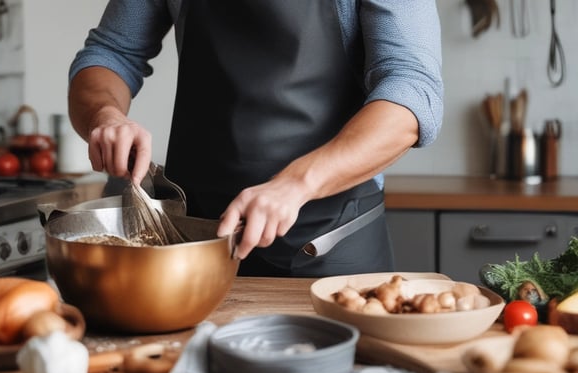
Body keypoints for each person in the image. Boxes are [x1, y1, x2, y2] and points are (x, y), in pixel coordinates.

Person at [67, 1, 443, 277]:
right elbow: (111, 52)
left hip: (331, 244)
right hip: (195, 240)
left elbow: (412, 90)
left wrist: (297, 184)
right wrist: (106, 115)